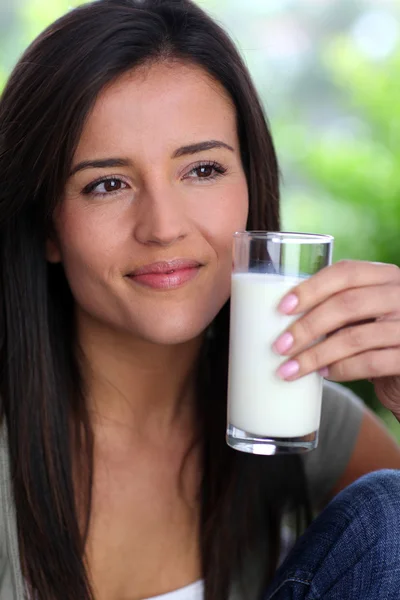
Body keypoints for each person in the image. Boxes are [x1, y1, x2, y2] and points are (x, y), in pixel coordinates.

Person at [0, 0, 400, 599]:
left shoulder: (310, 428)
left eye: (203, 170)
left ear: (249, 183)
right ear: (49, 225)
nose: (163, 227)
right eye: (107, 184)